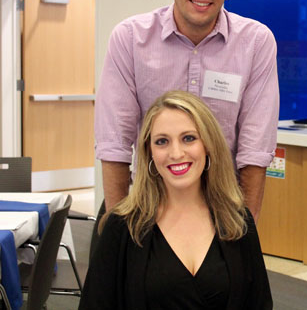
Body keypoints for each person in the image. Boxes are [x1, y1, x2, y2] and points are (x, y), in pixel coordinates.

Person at [95, 0, 279, 222]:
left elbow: (255, 149)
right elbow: (114, 142)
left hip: (220, 208)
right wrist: (117, 232)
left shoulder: (256, 42)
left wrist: (247, 229)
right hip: (147, 207)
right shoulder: (130, 38)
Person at [80, 91, 272, 309]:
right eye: (162, 141)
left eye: (188, 138)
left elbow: (259, 303)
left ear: (208, 145)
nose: (176, 153)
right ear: (149, 152)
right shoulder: (122, 226)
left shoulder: (237, 220)